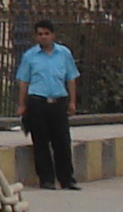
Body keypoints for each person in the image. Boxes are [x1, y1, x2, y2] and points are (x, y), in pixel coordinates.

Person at [16, 19, 80, 189]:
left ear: (53, 35)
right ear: (36, 36)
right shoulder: (30, 56)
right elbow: (24, 82)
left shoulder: (64, 53)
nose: (43, 37)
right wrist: (22, 105)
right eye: (40, 34)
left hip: (58, 102)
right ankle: (46, 179)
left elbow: (71, 78)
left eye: (46, 34)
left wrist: (72, 102)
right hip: (37, 102)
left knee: (62, 141)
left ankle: (67, 179)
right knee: (41, 142)